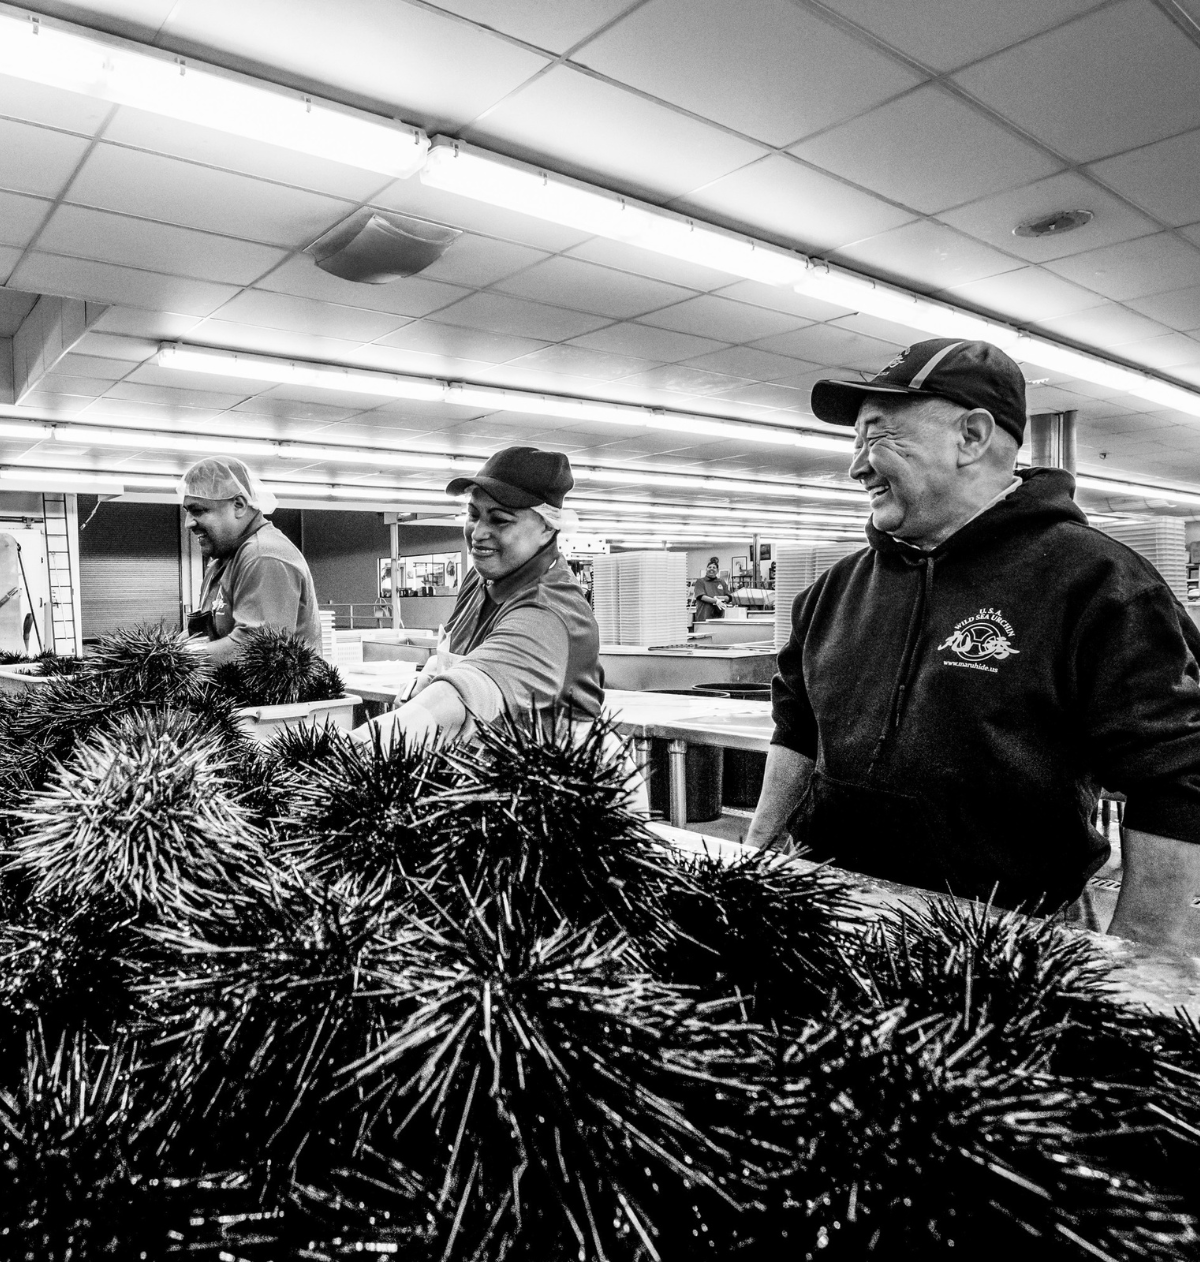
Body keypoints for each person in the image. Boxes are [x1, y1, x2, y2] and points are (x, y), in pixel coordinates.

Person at [746, 337, 1200, 950]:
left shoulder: (1099, 584)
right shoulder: (834, 589)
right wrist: (759, 857)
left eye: (877, 436)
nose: (856, 466)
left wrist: (1141, 954)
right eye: (855, 442)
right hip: (832, 908)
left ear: (973, 436)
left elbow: (1175, 777)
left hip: (1014, 938)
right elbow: (797, 725)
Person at [358, 446, 603, 749]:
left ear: (546, 528)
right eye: (473, 514)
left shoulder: (548, 614)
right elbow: (467, 655)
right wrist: (432, 671)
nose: (478, 533)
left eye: (499, 520)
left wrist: (349, 750)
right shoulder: (481, 578)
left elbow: (464, 693)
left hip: (546, 788)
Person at [179, 457, 320, 665]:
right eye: (187, 512)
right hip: (235, 695)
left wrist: (175, 658)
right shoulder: (222, 561)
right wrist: (166, 647)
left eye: (198, 510)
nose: (188, 523)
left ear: (239, 505)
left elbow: (254, 651)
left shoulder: (264, 557)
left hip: (280, 698)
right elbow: (204, 633)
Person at [693, 557, 731, 622]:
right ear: (706, 569)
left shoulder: (721, 582)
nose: (711, 569)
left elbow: (729, 597)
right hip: (704, 616)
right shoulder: (700, 582)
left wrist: (720, 598)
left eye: (714, 567)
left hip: (719, 617)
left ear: (717, 570)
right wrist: (715, 601)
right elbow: (701, 596)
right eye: (709, 567)